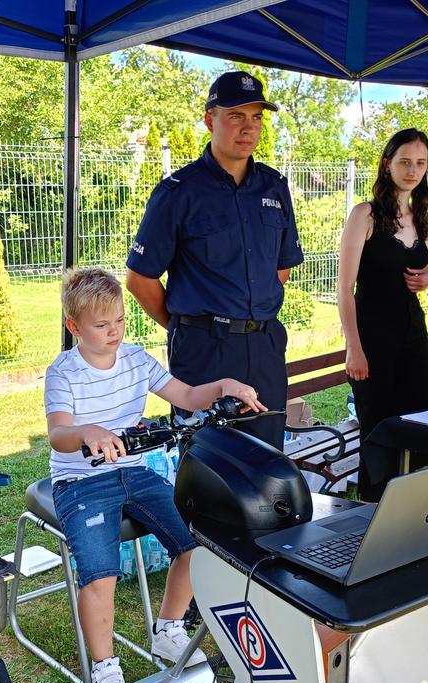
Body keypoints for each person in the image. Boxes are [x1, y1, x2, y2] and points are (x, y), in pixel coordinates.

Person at [46, 267, 263, 683]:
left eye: (120, 321)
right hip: (80, 480)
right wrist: (88, 431)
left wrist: (224, 386)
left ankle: (167, 629)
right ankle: (105, 668)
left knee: (195, 542)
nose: (114, 332)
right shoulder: (63, 373)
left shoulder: (136, 358)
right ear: (74, 327)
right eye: (102, 325)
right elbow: (59, 435)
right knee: (100, 572)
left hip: (134, 472)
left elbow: (185, 395)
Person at [124, 71, 303, 450]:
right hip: (204, 350)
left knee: (268, 463)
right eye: (236, 116)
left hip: (265, 348)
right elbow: (140, 279)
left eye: (256, 117)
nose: (248, 128)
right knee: (209, 466)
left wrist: (248, 313)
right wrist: (186, 327)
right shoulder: (178, 192)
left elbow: (281, 266)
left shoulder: (274, 187)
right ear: (210, 120)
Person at [337, 129, 428, 501]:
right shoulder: (364, 215)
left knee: (415, 423)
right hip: (372, 336)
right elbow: (343, 287)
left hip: (413, 335)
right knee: (378, 431)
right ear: (387, 163)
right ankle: (371, 515)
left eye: (420, 162)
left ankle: (408, 513)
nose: (413, 170)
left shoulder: (420, 215)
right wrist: (354, 347)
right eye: (405, 161)